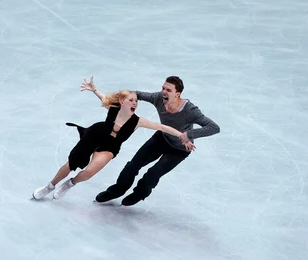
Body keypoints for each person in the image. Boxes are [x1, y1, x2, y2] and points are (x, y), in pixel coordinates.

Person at [31, 79, 193, 200]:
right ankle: (50, 186)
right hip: (94, 136)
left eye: (136, 101)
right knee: (71, 164)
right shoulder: (114, 107)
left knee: (88, 172)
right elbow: (104, 98)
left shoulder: (138, 121)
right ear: (122, 102)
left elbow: (163, 128)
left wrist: (182, 135)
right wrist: (94, 89)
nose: (135, 103)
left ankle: (70, 183)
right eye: (131, 100)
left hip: (110, 148)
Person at [93, 76, 220, 206]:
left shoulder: (190, 111)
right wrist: (117, 97)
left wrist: (189, 134)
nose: (164, 92)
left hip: (179, 150)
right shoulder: (158, 98)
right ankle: (116, 191)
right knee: (132, 166)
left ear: (177, 94)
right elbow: (137, 94)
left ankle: (139, 194)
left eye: (168, 90)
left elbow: (214, 127)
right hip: (161, 139)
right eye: (163, 88)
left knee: (152, 174)